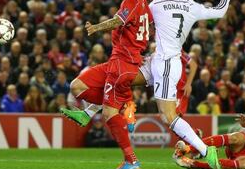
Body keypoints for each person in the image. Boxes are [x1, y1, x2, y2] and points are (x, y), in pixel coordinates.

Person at [60, 0, 152, 169]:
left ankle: (131, 160)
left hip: (122, 65)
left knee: (110, 113)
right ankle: (115, 107)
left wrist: (95, 28)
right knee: (77, 86)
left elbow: (118, 21)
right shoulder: (144, 3)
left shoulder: (132, 1)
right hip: (117, 62)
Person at [149, 0, 233, 167]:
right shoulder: (191, 6)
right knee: (165, 114)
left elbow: (135, 16)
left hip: (166, 63)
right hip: (172, 63)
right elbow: (219, 12)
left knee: (169, 116)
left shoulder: (155, 5)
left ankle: (204, 149)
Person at [65, 49, 197, 130]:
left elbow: (193, 64)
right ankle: (90, 113)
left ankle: (127, 109)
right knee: (111, 86)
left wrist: (188, 84)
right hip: (145, 68)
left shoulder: (177, 51)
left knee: (170, 118)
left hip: (161, 79)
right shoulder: (161, 44)